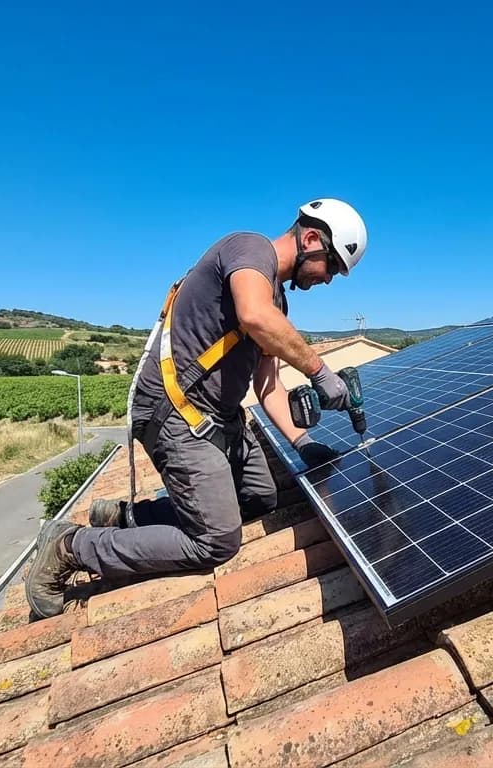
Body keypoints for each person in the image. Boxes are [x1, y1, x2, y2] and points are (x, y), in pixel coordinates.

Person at [25, 199, 367, 620]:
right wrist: (319, 371)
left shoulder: (277, 300)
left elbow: (268, 384)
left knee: (260, 496)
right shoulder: (248, 249)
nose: (329, 280)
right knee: (216, 540)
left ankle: (127, 515)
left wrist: (303, 442)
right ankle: (70, 547)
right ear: (312, 239)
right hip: (177, 412)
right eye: (331, 267)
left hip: (219, 418)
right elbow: (253, 315)